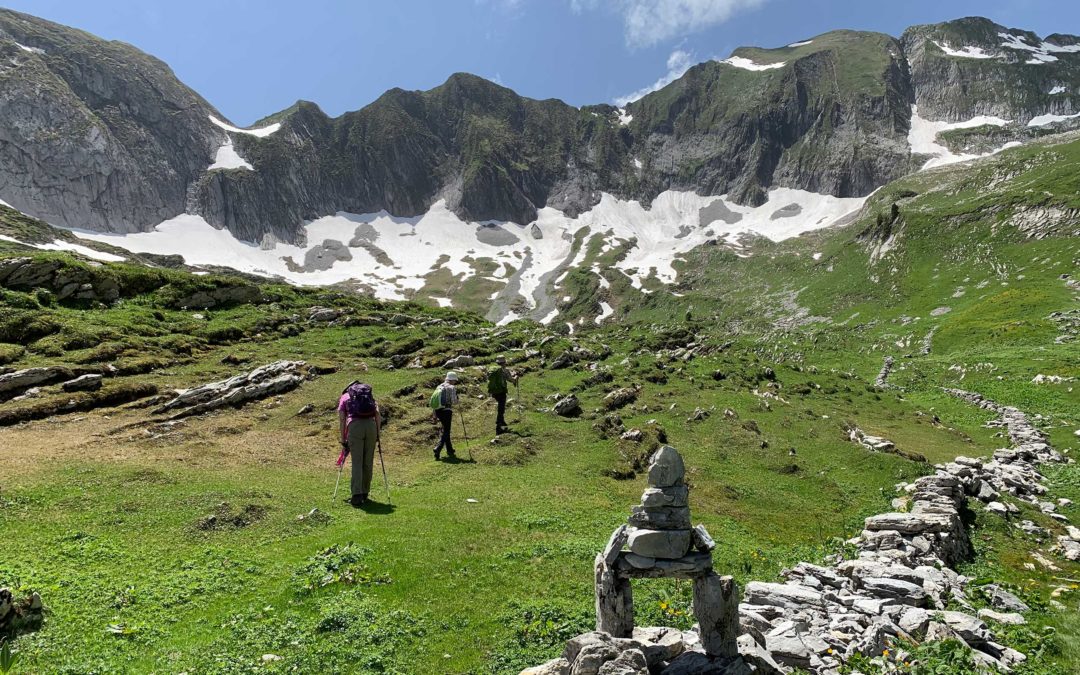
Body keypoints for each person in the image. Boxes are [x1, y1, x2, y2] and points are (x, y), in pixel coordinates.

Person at [338, 382, 381, 506]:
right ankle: (365, 492)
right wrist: (378, 434)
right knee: (368, 461)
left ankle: (356, 495)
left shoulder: (344, 397)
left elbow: (342, 419)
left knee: (357, 462)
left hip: (355, 427)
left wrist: (343, 439)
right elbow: (377, 414)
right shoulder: (369, 396)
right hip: (371, 426)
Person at [431, 371, 460, 460]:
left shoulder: (439, 386)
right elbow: (454, 401)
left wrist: (434, 416)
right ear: (452, 380)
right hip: (446, 411)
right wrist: (457, 398)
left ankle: (449, 449)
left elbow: (435, 403)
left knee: (445, 429)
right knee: (446, 431)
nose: (455, 382)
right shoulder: (451, 387)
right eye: (455, 380)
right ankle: (438, 448)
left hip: (438, 411)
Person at [487, 356, 518, 434]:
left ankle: (502, 421)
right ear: (504, 362)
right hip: (501, 391)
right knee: (501, 409)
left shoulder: (492, 369)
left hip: (493, 391)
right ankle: (498, 427)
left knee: (500, 407)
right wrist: (515, 378)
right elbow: (511, 379)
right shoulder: (504, 370)